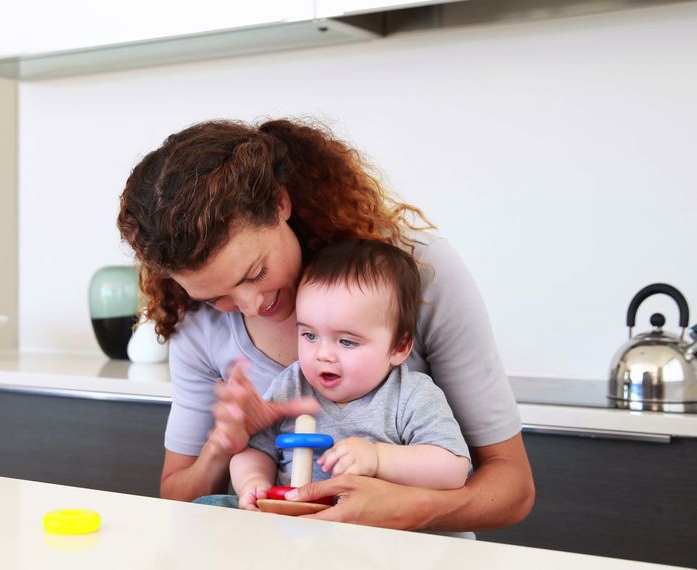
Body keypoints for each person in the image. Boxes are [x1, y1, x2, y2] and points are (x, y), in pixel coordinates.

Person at [116, 118, 534, 532]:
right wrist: (220, 448)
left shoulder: (413, 272)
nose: (250, 306)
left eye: (256, 272)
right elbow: (177, 500)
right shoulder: (197, 324)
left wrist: (402, 506)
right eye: (214, 296)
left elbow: (513, 488)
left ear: (281, 204)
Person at [230, 240, 470, 515]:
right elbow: (255, 451)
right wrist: (252, 480)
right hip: (301, 535)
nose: (322, 354)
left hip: (382, 540)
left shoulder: (411, 396)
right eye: (309, 335)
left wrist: (378, 458)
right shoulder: (291, 386)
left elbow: (453, 468)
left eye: (346, 341)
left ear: (399, 347)